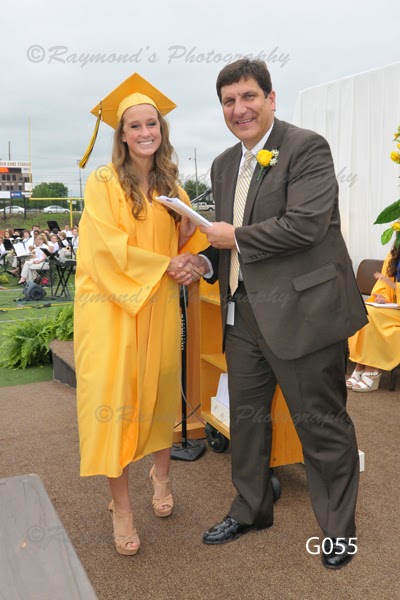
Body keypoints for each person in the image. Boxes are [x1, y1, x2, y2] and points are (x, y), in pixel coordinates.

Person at [178, 59, 368, 569]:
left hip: (305, 316)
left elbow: (306, 225)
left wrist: (234, 237)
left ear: (271, 98)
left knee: (321, 425)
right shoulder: (222, 165)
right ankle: (252, 508)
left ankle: (338, 530)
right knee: (245, 421)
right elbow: (228, 241)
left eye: (248, 97)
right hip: (243, 316)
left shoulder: (306, 148)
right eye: (228, 101)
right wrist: (206, 262)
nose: (239, 109)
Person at [74, 72, 204, 557]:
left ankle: (161, 476)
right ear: (122, 134)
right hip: (111, 311)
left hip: (159, 306)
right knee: (115, 402)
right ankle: (122, 508)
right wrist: (165, 265)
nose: (146, 131)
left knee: (160, 391)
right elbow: (103, 251)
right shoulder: (103, 182)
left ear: (161, 131)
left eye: (153, 124)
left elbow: (190, 239)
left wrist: (189, 256)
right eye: (135, 125)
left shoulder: (172, 186)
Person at [347, 244, 400, 391]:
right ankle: (360, 367)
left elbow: (391, 283)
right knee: (366, 311)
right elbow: (383, 284)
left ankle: (372, 370)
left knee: (374, 316)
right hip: (394, 309)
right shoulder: (394, 253)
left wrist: (394, 287)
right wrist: (383, 296)